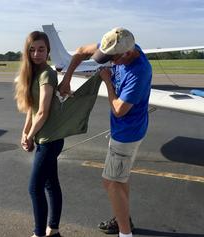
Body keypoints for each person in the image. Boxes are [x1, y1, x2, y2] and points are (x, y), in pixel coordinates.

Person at [59, 27, 152, 237]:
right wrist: (67, 79)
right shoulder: (119, 45)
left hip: (127, 134)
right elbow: (82, 50)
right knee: (120, 179)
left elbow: (119, 110)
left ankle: (125, 233)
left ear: (127, 53)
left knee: (110, 182)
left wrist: (108, 82)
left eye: (112, 58)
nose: (108, 61)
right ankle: (123, 219)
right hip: (126, 130)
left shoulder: (139, 71)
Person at [15, 31, 63, 237]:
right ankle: (53, 229)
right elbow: (32, 110)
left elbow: (43, 112)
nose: (36, 54)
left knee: (35, 188)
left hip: (50, 140)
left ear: (48, 50)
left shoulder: (47, 74)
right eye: (32, 49)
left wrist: (31, 135)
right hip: (44, 138)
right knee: (51, 185)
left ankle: (39, 234)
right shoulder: (33, 74)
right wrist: (25, 133)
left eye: (41, 49)